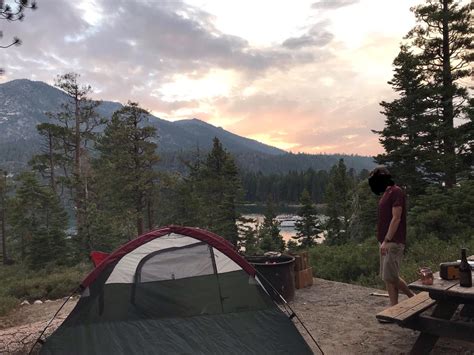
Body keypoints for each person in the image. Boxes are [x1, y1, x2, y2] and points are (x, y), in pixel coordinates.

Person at [368, 166, 414, 307]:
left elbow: (396, 218)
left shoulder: (396, 192)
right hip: (384, 242)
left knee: (390, 276)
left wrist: (387, 240)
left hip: (393, 241)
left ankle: (412, 296)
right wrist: (382, 241)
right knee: (387, 278)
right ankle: (394, 307)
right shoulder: (386, 193)